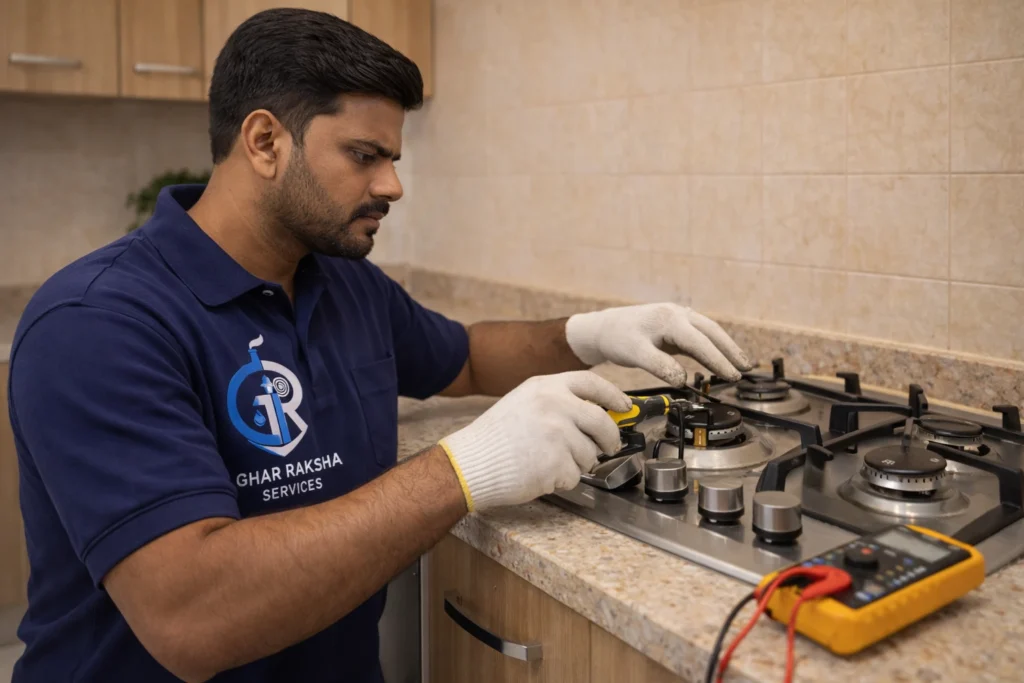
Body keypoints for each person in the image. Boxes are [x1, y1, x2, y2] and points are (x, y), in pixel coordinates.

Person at [7, 8, 753, 683]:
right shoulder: (97, 321)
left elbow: (462, 357)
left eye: (393, 157)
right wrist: (466, 466)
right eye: (365, 155)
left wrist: (586, 334)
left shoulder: (342, 282)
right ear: (265, 141)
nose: (392, 184)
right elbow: (192, 617)